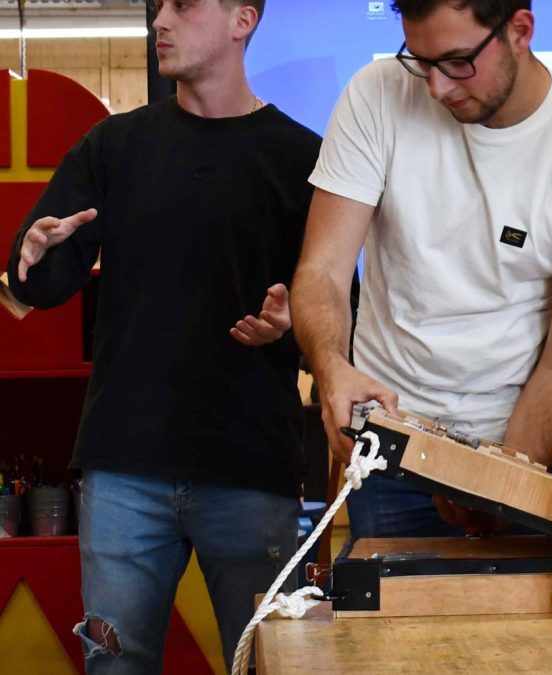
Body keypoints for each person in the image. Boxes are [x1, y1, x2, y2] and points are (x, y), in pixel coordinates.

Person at [5, 0, 322, 671]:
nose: (160, 22)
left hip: (250, 468)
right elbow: (43, 278)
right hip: (126, 466)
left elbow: (335, 306)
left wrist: (294, 322)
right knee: (116, 663)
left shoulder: (303, 159)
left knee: (266, 662)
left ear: (242, 20)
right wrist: (26, 257)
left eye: (182, 5)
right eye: (157, 8)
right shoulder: (114, 147)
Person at [290, 0, 552, 573]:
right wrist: (332, 368)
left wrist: (497, 482)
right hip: (397, 450)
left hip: (541, 450)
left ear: (520, 32)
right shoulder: (376, 94)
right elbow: (322, 271)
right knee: (398, 656)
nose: (434, 87)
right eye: (419, 60)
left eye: (456, 62)